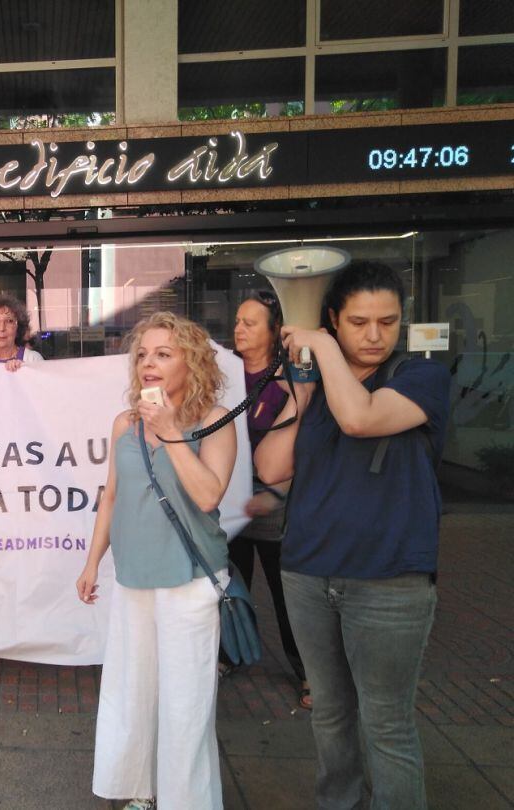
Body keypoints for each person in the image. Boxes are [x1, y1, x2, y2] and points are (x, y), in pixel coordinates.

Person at [255, 261, 450, 809]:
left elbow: (361, 418)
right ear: (337, 320)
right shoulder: (325, 389)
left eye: (387, 322)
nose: (373, 334)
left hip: (390, 581)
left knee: (387, 723)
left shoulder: (421, 378)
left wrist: (322, 348)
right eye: (359, 322)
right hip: (309, 573)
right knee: (332, 714)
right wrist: (302, 393)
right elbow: (271, 467)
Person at [76, 312, 236, 810]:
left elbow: (209, 495)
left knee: (185, 704)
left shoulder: (214, 419)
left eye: (164, 354)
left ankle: (185, 802)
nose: (149, 363)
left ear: (192, 362)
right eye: (143, 354)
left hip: (189, 581)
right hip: (134, 578)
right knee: (132, 692)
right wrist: (91, 562)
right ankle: (138, 793)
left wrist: (168, 429)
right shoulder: (124, 421)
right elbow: (112, 498)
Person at [221, 292, 309, 708]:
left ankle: (307, 670)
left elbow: (302, 449)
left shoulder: (293, 380)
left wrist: (276, 493)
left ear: (275, 332)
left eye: (250, 323)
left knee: (285, 593)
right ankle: (229, 654)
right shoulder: (223, 376)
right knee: (231, 586)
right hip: (229, 505)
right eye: (238, 321)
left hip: (274, 506)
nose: (239, 329)